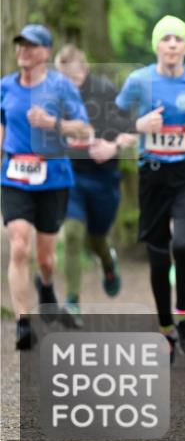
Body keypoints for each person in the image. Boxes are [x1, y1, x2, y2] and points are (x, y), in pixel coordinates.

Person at [115, 15, 185, 361]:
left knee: (184, 242)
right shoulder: (139, 80)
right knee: (158, 256)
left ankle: (184, 316)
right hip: (153, 176)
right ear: (157, 45)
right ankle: (165, 328)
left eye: (179, 39)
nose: (173, 44)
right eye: (166, 39)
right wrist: (138, 124)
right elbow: (112, 119)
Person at [1, 25, 91, 350]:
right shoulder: (5, 87)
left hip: (53, 177)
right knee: (19, 245)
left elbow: (83, 129)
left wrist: (52, 123)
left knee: (46, 257)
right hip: (14, 176)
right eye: (20, 45)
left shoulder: (62, 87)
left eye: (32, 45)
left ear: (45, 53)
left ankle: (48, 284)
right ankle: (24, 323)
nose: (24, 50)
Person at [54, 45, 134, 326]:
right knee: (73, 233)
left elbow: (130, 132)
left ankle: (108, 262)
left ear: (85, 70)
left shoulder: (105, 92)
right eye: (63, 78)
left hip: (103, 178)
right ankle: (72, 301)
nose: (69, 84)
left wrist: (112, 146)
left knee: (96, 237)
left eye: (74, 78)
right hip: (71, 175)